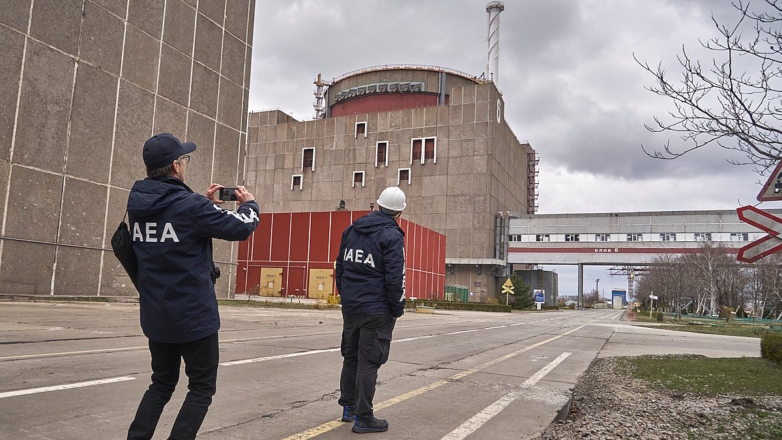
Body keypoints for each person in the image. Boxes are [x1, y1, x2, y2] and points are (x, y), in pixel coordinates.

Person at [126, 133, 259, 440]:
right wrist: (250, 204)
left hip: (156, 315)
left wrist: (205, 206)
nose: (185, 164)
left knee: (161, 384)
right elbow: (241, 227)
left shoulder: (139, 205)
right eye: (184, 159)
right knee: (201, 388)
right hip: (193, 318)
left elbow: (177, 225)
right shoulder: (191, 206)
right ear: (175, 165)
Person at [335, 186, 407, 434]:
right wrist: (397, 308)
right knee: (369, 361)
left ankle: (349, 408)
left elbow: (340, 267)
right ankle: (364, 418)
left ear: (378, 205)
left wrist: (346, 297)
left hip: (352, 306)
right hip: (376, 309)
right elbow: (396, 278)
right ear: (399, 213)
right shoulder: (392, 236)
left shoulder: (352, 230)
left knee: (351, 357)